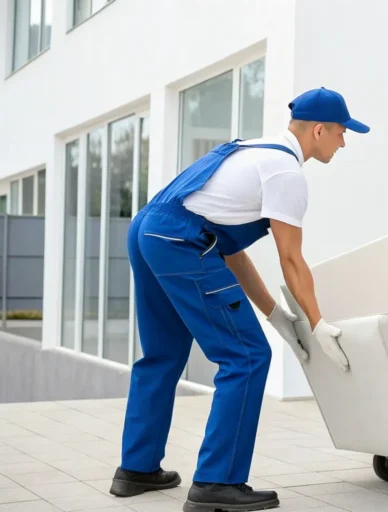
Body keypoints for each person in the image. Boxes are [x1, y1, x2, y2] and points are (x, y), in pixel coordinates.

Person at [108, 87, 369, 511]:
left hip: (149, 230)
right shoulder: (286, 173)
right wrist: (317, 322)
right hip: (178, 240)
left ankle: (136, 469)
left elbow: (228, 250)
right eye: (342, 132)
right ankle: (217, 482)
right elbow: (290, 259)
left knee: (161, 354)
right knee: (246, 357)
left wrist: (276, 315)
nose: (344, 141)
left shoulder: (253, 151)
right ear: (319, 130)